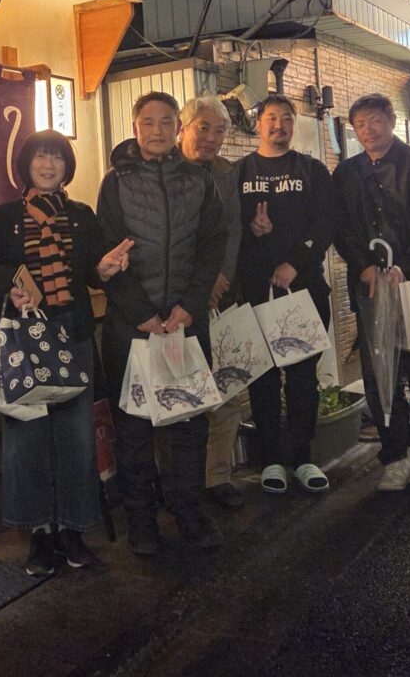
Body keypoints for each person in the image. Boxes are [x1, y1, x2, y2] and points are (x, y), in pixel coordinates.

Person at [0, 130, 131, 575]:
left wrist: (105, 269)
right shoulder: (5, 217)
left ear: (67, 167)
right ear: (26, 165)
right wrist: (12, 288)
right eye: (41, 157)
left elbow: (93, 273)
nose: (48, 165)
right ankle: (39, 533)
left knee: (76, 437)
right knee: (26, 439)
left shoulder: (80, 216)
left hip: (73, 335)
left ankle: (72, 529)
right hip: (25, 342)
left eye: (57, 158)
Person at [97, 91, 227, 555]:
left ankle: (190, 513)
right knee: (134, 429)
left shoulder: (199, 180)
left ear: (178, 128)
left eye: (166, 121)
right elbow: (108, 250)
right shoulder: (115, 182)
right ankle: (142, 524)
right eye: (148, 121)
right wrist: (142, 314)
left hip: (185, 323)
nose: (157, 129)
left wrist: (190, 306)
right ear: (135, 128)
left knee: (189, 423)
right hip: (132, 327)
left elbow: (212, 246)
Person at [333, 93, 410, 493]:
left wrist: (406, 266)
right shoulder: (346, 174)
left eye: (375, 120)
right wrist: (363, 265)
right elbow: (341, 228)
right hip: (369, 289)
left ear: (391, 121)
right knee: (379, 377)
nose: (368, 130)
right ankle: (395, 457)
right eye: (360, 124)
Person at [237, 95, 340, 495]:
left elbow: (327, 222)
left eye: (285, 118)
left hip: (303, 289)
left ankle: (302, 457)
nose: (278, 125)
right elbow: (227, 229)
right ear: (258, 124)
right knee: (262, 378)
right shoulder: (239, 172)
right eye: (270, 118)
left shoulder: (311, 170)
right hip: (254, 291)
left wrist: (295, 262)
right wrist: (252, 231)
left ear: (293, 125)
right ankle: (271, 461)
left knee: (301, 378)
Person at [177, 95, 245, 509]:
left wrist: (221, 277)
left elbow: (232, 229)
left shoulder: (225, 173)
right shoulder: (164, 170)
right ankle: (179, 483)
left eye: (219, 131)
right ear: (184, 128)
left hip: (218, 297)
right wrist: (196, 286)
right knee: (181, 395)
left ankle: (217, 476)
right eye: (203, 127)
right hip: (177, 301)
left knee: (226, 392)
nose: (211, 138)